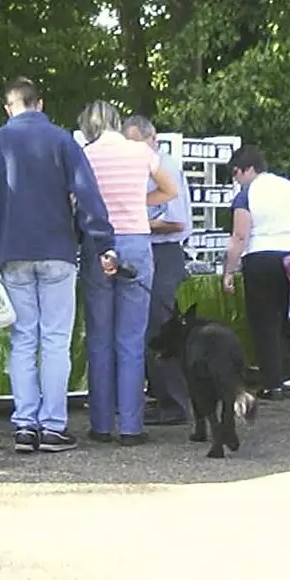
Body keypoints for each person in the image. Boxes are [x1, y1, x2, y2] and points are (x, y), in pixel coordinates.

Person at [0, 77, 114, 454]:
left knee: (23, 339)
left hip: (11, 253)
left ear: (8, 107)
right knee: (54, 341)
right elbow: (87, 193)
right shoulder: (63, 141)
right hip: (58, 251)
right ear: (40, 103)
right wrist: (103, 243)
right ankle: (52, 425)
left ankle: (24, 424)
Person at [78, 101, 179, 445]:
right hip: (136, 241)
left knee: (100, 337)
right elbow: (171, 190)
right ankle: (132, 427)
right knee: (131, 338)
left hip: (98, 242)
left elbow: (75, 200)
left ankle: (102, 425)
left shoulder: (85, 154)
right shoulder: (140, 152)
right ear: (117, 122)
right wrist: (140, 201)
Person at [222, 144, 290, 400]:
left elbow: (240, 235)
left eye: (236, 173)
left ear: (248, 170)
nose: (236, 180)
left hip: (261, 257)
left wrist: (229, 271)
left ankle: (273, 384)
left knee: (265, 322)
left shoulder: (246, 194)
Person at [122, 114, 193, 426]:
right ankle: (160, 396)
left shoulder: (165, 167)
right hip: (149, 249)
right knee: (145, 324)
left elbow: (177, 222)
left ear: (153, 139)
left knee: (158, 326)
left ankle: (174, 403)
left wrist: (135, 221)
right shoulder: (141, 167)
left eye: (136, 143)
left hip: (164, 251)